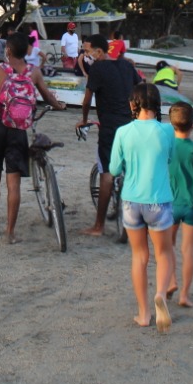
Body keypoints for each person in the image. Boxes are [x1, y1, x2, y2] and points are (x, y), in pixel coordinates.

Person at [0, 33, 66, 244]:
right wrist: (59, 106)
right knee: (13, 182)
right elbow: (46, 96)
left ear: (7, 50)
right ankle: (10, 232)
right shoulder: (33, 72)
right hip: (18, 129)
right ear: (27, 50)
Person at [109, 82, 176, 332]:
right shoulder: (167, 132)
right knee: (164, 254)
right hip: (159, 199)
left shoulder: (123, 132)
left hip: (131, 200)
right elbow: (169, 159)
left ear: (132, 105)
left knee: (139, 257)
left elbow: (114, 168)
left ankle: (144, 313)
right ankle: (160, 293)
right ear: (157, 106)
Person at [78, 33, 142, 238]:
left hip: (110, 127)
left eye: (88, 51)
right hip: (131, 124)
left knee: (107, 173)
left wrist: (84, 118)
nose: (86, 55)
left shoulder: (97, 68)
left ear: (99, 51)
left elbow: (87, 100)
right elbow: (141, 90)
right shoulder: (127, 66)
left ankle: (99, 226)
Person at [167, 102, 193, 309]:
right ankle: (185, 294)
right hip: (192, 203)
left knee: (168, 246)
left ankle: (172, 280)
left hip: (171, 203)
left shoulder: (167, 147)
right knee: (188, 250)